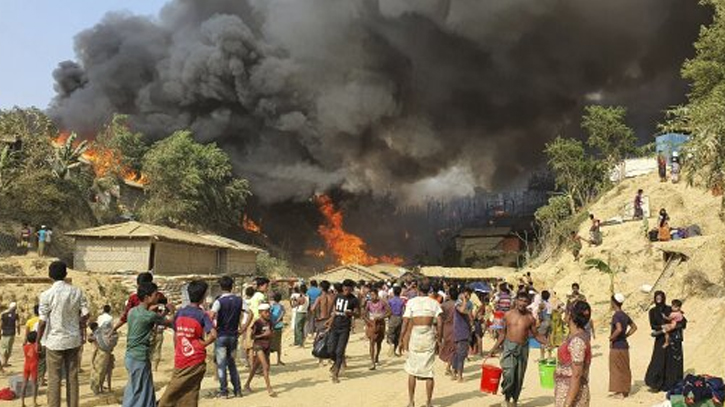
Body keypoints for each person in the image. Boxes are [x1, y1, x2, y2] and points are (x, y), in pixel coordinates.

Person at [37, 261, 89, 407]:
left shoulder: (46, 295)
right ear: (66, 274)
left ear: (50, 275)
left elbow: (42, 321)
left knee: (54, 379)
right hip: (73, 339)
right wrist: (78, 324)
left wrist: (37, 341)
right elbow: (86, 314)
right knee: (72, 377)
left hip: (54, 341)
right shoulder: (77, 291)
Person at [158, 281, 217, 407]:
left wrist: (178, 349)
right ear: (203, 297)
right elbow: (213, 334)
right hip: (196, 358)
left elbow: (175, 332)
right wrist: (203, 344)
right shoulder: (202, 315)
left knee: (176, 388)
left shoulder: (180, 312)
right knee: (190, 391)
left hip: (181, 357)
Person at [491, 290, 548, 407]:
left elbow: (536, 335)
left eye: (525, 301)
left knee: (519, 376)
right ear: (516, 301)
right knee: (509, 374)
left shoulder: (530, 318)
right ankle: (507, 396)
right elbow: (502, 334)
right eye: (520, 300)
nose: (522, 303)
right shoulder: (508, 315)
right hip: (509, 348)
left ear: (528, 303)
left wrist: (547, 342)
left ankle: (514, 401)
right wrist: (494, 348)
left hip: (522, 349)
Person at [122, 282, 172, 407]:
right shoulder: (148, 315)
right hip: (139, 357)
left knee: (141, 388)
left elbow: (154, 318)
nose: (157, 298)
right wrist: (172, 311)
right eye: (155, 295)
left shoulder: (133, 311)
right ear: (147, 297)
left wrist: (161, 313)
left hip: (131, 356)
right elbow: (169, 322)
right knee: (138, 392)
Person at [400, 280, 443, 407]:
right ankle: (429, 402)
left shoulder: (412, 302)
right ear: (429, 290)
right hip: (428, 335)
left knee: (412, 370)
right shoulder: (434, 303)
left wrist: (401, 339)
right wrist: (439, 339)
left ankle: (411, 401)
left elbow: (405, 323)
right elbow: (440, 323)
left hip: (416, 336)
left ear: (418, 289)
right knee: (429, 371)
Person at [209, 276, 247, 399]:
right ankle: (237, 390)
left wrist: (212, 329)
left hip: (221, 336)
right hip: (233, 335)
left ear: (221, 287)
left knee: (221, 365)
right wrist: (243, 328)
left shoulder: (219, 301)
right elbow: (250, 313)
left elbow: (211, 315)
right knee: (232, 364)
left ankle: (224, 391)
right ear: (232, 286)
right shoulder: (239, 300)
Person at [645, 291, 686, 392]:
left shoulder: (670, 309)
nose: (658, 299)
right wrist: (662, 327)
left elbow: (683, 322)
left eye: (660, 297)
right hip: (660, 339)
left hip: (673, 339)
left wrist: (672, 327)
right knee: (658, 360)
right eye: (657, 297)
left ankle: (671, 384)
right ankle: (655, 384)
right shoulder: (652, 311)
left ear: (663, 297)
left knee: (672, 362)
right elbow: (653, 326)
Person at [554, 300, 592, 407]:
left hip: (571, 394)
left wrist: (567, 404)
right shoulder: (576, 336)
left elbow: (576, 374)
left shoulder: (577, 341)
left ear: (570, 315)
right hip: (566, 390)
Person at [326, 279, 359, 383]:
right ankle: (336, 364)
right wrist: (329, 321)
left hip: (345, 328)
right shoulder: (337, 297)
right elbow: (333, 311)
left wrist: (351, 313)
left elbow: (358, 314)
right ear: (343, 287)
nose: (347, 291)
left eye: (349, 289)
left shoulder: (354, 300)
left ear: (352, 289)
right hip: (334, 326)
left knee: (340, 351)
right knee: (331, 350)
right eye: (345, 288)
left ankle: (335, 374)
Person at [244, 303, 276, 397]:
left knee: (255, 367)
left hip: (267, 346)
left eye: (268, 312)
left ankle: (247, 384)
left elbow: (272, 333)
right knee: (265, 366)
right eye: (266, 312)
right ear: (260, 313)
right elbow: (252, 336)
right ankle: (269, 388)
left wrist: (270, 335)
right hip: (258, 346)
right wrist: (263, 335)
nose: (268, 314)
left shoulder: (269, 322)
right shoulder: (257, 323)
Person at [608, 293, 637, 398]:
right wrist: (626, 335)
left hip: (617, 346)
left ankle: (620, 392)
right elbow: (634, 327)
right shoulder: (624, 315)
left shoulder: (616, 315)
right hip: (624, 345)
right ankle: (625, 390)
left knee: (616, 368)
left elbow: (619, 328)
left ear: (613, 303)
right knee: (625, 367)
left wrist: (612, 337)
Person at [363, 288, 390, 370]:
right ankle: (372, 361)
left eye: (373, 295)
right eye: (370, 295)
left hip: (380, 324)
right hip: (371, 324)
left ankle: (377, 356)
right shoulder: (368, 303)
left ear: (377, 295)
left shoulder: (382, 303)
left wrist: (382, 317)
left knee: (379, 342)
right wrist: (368, 322)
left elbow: (389, 312)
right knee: (371, 342)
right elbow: (364, 314)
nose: (372, 297)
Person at [88, 319, 117, 395]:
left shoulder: (95, 336)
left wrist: (92, 361)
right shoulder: (102, 333)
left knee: (99, 372)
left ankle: (97, 389)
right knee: (105, 372)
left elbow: (94, 349)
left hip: (101, 355)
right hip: (108, 354)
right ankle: (103, 388)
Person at [451, 289, 472, 383]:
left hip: (462, 331)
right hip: (461, 332)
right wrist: (464, 300)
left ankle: (454, 373)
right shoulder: (459, 304)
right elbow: (463, 310)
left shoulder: (465, 304)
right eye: (466, 294)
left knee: (457, 353)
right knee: (461, 355)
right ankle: (459, 376)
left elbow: (469, 315)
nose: (468, 297)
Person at [438, 286, 457, 375]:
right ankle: (450, 367)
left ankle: (449, 366)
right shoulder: (458, 305)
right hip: (456, 328)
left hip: (446, 328)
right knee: (454, 348)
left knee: (448, 346)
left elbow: (440, 321)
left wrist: (439, 334)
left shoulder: (444, 305)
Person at [21, 331, 39, 407]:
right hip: (34, 365)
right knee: (34, 384)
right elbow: (40, 355)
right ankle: (34, 402)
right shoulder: (37, 346)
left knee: (24, 384)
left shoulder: (25, 347)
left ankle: (22, 402)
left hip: (26, 365)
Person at [387, 285, 406, 357]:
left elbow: (388, 310)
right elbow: (403, 311)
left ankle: (391, 346)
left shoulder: (390, 301)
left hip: (392, 317)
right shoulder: (402, 301)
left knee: (391, 333)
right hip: (399, 318)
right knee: (397, 334)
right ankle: (394, 351)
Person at [1, 302, 19, 369]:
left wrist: (0, 332)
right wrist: (19, 331)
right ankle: (5, 362)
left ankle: (3, 362)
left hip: (4, 333)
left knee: (3, 348)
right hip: (11, 333)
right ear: (15, 308)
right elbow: (17, 324)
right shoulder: (16, 315)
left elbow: (1, 324)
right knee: (9, 348)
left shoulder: (3, 314)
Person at [269, 292, 286, 366]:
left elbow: (269, 314)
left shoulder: (272, 306)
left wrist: (273, 322)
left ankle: (268, 360)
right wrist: (278, 321)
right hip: (279, 326)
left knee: (270, 343)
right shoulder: (281, 306)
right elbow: (282, 314)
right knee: (278, 343)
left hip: (272, 326)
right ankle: (278, 360)